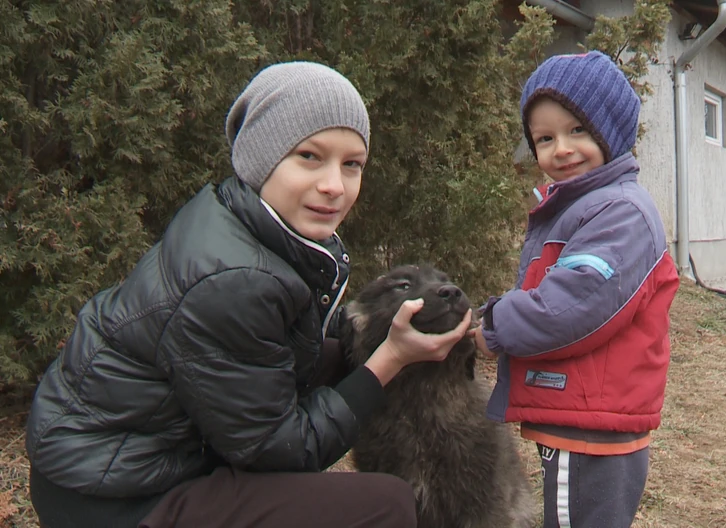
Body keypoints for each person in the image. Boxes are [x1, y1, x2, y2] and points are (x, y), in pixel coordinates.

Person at [25, 61, 471, 528]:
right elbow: (282, 452)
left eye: (352, 164)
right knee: (386, 505)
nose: (334, 185)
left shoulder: (256, 223)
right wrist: (389, 361)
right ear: (261, 157)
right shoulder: (234, 278)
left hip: (129, 461)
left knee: (341, 356)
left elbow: (293, 348)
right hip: (113, 498)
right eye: (309, 156)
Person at [470, 51, 680, 528]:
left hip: (589, 425)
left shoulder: (618, 213)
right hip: (587, 416)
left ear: (610, 132)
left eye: (577, 131)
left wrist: (492, 326)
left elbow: (567, 308)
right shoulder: (585, 207)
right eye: (544, 138)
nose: (560, 149)